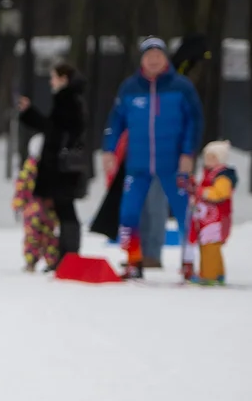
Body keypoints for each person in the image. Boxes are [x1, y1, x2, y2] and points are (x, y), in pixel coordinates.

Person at [102, 37, 204, 279]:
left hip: (173, 163)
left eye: (158, 55)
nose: (154, 60)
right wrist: (109, 149)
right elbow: (115, 121)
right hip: (138, 164)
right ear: (142, 59)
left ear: (165, 58)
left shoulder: (181, 86)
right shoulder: (129, 87)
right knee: (128, 214)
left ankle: (188, 263)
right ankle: (133, 261)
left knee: (184, 214)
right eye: (149, 55)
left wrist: (188, 153)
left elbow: (195, 121)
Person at [17, 62, 88, 268]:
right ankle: (65, 256)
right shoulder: (68, 100)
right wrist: (30, 113)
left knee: (65, 209)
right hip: (61, 165)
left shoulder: (67, 100)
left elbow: (55, 130)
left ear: (64, 79)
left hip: (61, 166)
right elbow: (53, 128)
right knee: (62, 209)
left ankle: (68, 257)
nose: (51, 82)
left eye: (54, 77)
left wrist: (31, 114)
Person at [185, 140, 237, 285]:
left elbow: (220, 193)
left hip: (217, 220)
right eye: (206, 156)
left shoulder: (223, 176)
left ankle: (209, 275)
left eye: (212, 157)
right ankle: (217, 273)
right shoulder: (209, 174)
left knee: (210, 247)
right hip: (208, 219)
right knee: (209, 247)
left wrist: (201, 192)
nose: (207, 160)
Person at [13, 135, 59, 272]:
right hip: (40, 209)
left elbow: (21, 186)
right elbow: (22, 186)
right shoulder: (41, 167)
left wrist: (18, 203)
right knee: (46, 236)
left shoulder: (31, 167)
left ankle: (35, 261)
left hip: (38, 210)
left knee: (36, 236)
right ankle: (46, 261)